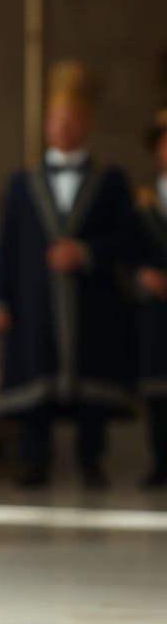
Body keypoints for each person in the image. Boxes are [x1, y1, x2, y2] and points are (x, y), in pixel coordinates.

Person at [0, 61, 136, 489]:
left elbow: (127, 238)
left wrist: (86, 253)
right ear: (46, 125)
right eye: (57, 119)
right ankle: (34, 460)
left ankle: (92, 459)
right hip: (35, 300)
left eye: (72, 119)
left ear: (87, 125)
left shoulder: (111, 182)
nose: (64, 127)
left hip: (93, 298)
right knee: (37, 375)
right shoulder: (22, 183)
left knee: (91, 382)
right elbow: (7, 244)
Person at [134, 109, 167, 488]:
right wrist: (142, 276)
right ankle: (160, 459)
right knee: (157, 388)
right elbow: (127, 250)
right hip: (155, 306)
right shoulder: (142, 198)